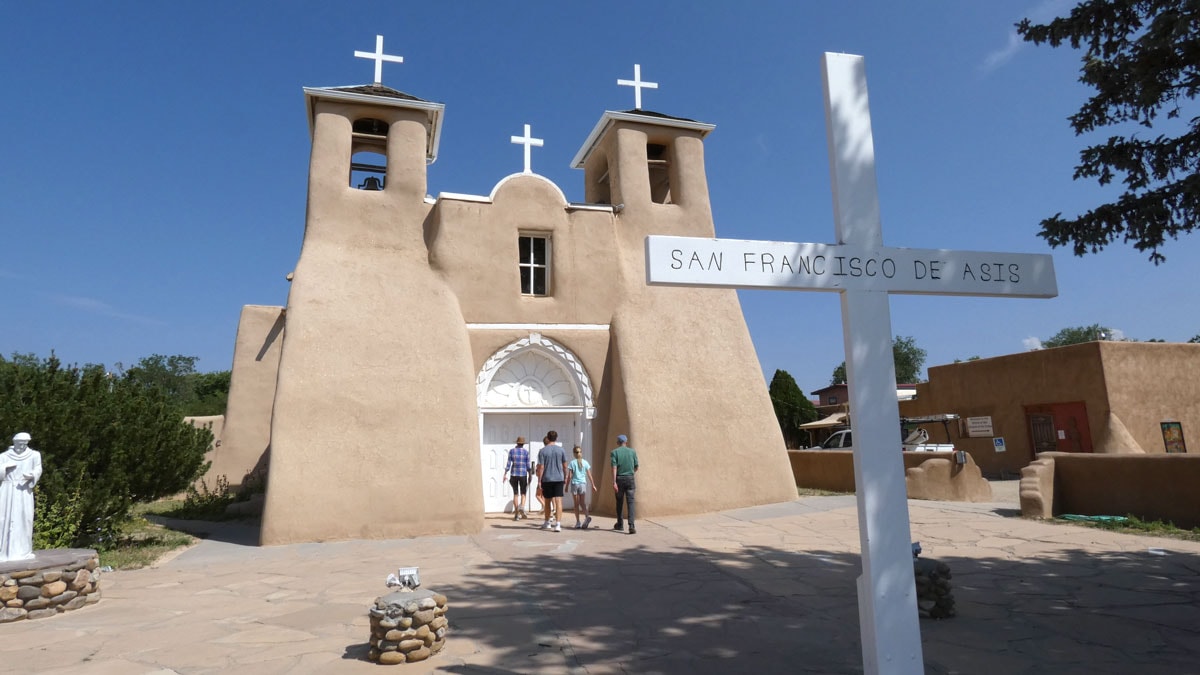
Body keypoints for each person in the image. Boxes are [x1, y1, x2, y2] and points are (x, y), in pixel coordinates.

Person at [1, 432, 43, 561]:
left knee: (25, 519)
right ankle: (4, 552)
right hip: (7, 490)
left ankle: (23, 551)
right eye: (19, 444)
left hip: (24, 490)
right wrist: (3, 468)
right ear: (14, 443)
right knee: (4, 519)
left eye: (25, 444)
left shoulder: (35, 455)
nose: (22, 446)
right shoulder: (4, 456)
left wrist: (32, 475)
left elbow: (38, 469)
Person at [535, 430, 569, 532]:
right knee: (558, 501)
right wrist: (565, 476)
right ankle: (558, 524)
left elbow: (541, 467)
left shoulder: (543, 451)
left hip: (547, 478)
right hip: (559, 478)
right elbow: (565, 465)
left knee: (547, 501)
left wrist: (539, 480)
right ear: (556, 438)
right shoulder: (561, 450)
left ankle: (547, 522)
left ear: (548, 438)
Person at [611, 433, 639, 534]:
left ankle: (620, 524)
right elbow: (636, 467)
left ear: (618, 442)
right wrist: (630, 473)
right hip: (630, 479)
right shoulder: (632, 452)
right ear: (626, 442)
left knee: (619, 502)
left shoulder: (614, 452)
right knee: (630, 502)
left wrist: (614, 482)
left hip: (619, 479)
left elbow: (614, 468)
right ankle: (631, 525)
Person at [502, 436, 533, 521]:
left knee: (515, 493)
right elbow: (528, 465)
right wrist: (530, 475)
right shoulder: (526, 452)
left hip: (514, 474)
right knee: (523, 492)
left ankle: (516, 514)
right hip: (523, 474)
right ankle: (522, 507)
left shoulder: (512, 451)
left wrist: (505, 473)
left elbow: (508, 464)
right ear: (523, 444)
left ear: (517, 443)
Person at [567, 445, 597, 529]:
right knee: (582, 503)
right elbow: (589, 475)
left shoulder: (572, 463)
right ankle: (587, 516)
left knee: (576, 504)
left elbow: (569, 476)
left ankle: (578, 522)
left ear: (574, 454)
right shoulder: (585, 462)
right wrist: (593, 485)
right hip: (583, 484)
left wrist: (566, 486)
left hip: (575, 484)